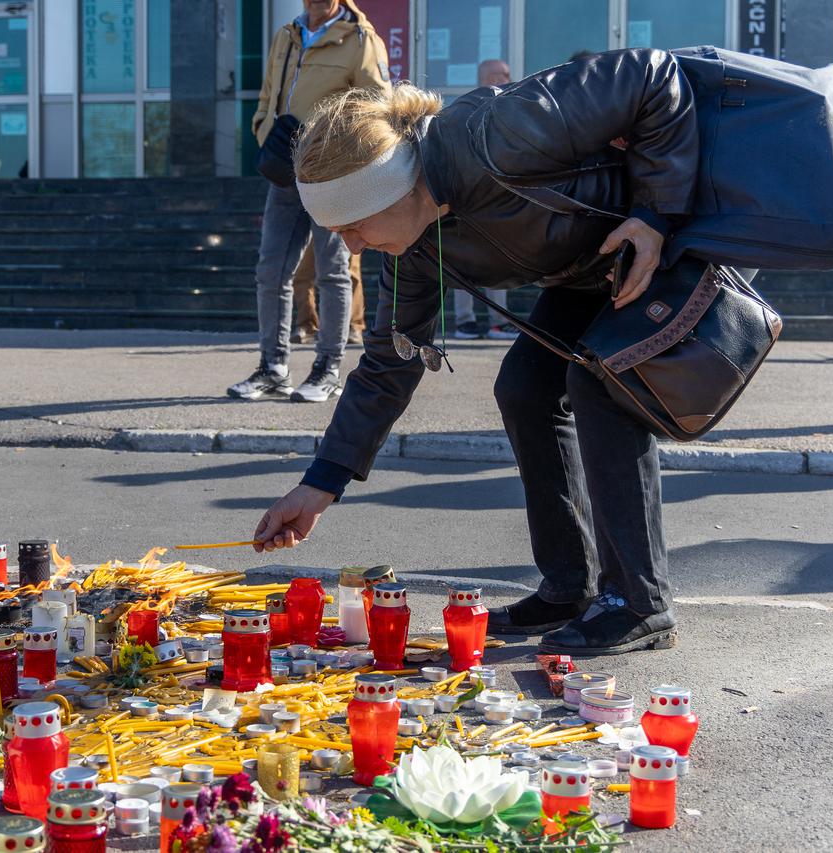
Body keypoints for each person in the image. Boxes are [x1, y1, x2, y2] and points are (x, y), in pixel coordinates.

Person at [252, 49, 722, 656]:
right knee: (525, 387)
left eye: (353, 226)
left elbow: (651, 75)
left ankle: (638, 603)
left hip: (671, 229)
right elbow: (388, 365)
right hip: (591, 270)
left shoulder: (494, 134)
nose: (352, 248)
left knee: (599, 384)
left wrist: (655, 213)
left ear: (393, 189)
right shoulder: (411, 249)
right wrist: (318, 486)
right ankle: (569, 589)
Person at [228, 0, 391, 403]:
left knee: (333, 272)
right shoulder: (287, 35)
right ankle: (273, 367)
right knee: (271, 271)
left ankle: (328, 369)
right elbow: (269, 95)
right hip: (285, 172)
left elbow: (376, 108)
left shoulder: (360, 40)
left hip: (331, 175)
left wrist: (334, 150)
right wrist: (264, 129)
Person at [452, 59, 519, 341]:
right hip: (472, 197)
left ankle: (491, 322)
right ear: (489, 78)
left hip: (493, 197)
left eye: (507, 74)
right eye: (502, 74)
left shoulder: (511, 109)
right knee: (468, 260)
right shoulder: (471, 111)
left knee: (495, 259)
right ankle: (470, 322)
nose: (508, 79)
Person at [291, 239, 366, 345]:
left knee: (351, 272)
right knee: (303, 271)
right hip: (308, 228)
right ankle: (306, 326)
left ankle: (354, 326)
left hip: (346, 229)